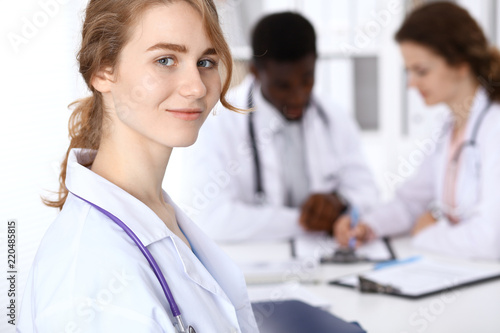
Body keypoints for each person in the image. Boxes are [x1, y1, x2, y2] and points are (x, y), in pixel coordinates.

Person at [17, 0, 258, 332]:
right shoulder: (88, 276)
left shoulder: (157, 210)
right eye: (165, 60)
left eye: (205, 61)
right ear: (103, 70)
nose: (197, 87)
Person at [176, 12, 379, 242]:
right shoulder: (218, 124)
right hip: (256, 263)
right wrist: (306, 221)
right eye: (283, 86)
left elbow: (369, 194)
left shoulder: (333, 117)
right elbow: (211, 219)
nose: (298, 97)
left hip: (324, 256)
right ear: (255, 72)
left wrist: (340, 202)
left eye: (307, 80)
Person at [335, 2, 500, 260]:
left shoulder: (495, 126)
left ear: (461, 64)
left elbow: (491, 240)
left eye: (421, 70)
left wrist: (426, 234)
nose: (411, 83)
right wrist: (368, 225)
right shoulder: (447, 127)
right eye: (408, 71)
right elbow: (411, 201)